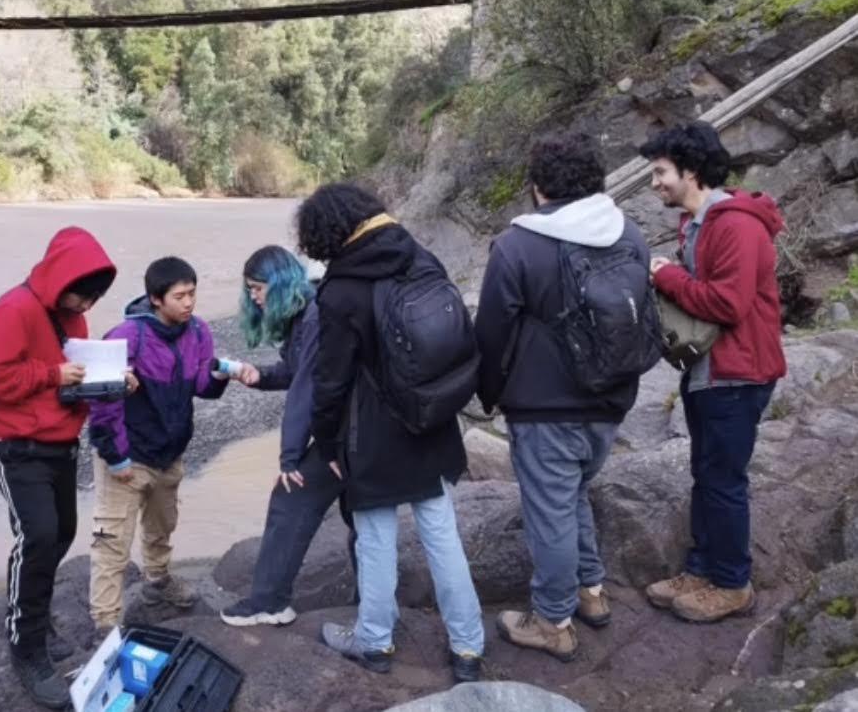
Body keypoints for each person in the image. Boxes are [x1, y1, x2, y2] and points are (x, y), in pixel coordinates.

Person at [475, 132, 655, 661]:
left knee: (549, 512)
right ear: (596, 182)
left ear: (537, 189)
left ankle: (552, 620)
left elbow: (492, 333)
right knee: (572, 493)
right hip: (612, 399)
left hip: (544, 407)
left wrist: (489, 394)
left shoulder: (517, 245)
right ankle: (590, 590)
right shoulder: (632, 235)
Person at [298, 182, 484, 683]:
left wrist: (328, 439)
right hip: (431, 418)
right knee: (442, 535)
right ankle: (468, 648)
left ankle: (374, 641)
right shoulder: (420, 256)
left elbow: (331, 379)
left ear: (326, 234)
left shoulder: (340, 288)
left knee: (375, 540)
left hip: (372, 433)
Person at [641, 122, 786, 623]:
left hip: (738, 373)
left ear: (691, 171)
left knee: (723, 480)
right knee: (706, 475)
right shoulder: (698, 223)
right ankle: (701, 569)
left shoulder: (735, 225)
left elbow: (728, 303)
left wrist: (668, 276)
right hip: (710, 372)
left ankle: (732, 584)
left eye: (660, 172)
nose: (655, 183)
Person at [0, 227, 116, 709]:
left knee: (61, 533)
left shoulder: (71, 316)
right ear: (60, 278)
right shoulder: (13, 310)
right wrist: (52, 374)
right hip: (14, 443)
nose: (86, 306)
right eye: (81, 294)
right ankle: (26, 644)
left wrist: (109, 383)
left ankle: (34, 613)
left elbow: (72, 376)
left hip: (58, 440)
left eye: (94, 298)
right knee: (37, 536)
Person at [88, 257, 228, 632]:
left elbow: (201, 386)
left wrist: (218, 375)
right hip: (127, 457)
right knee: (110, 542)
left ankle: (158, 582)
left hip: (169, 453)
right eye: (180, 296)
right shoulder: (125, 337)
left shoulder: (198, 332)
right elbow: (101, 403)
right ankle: (105, 624)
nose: (189, 303)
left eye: (192, 293)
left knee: (163, 526)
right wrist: (116, 457)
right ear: (155, 299)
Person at [219, 245, 357, 627]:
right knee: (362, 513)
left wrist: (289, 458)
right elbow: (295, 372)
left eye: (258, 288)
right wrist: (258, 375)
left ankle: (269, 602)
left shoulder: (314, 317)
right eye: (249, 289)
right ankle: (372, 603)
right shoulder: (306, 313)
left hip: (351, 432)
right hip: (356, 429)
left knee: (290, 496)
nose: (254, 297)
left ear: (279, 283)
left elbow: (307, 390)